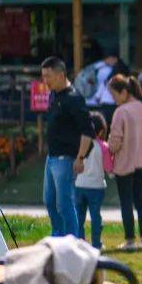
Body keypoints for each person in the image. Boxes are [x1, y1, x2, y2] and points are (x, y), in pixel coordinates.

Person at [41, 57, 93, 238]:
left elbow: (87, 131)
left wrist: (80, 157)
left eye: (48, 76)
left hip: (66, 159)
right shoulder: (53, 95)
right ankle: (58, 237)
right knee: (49, 201)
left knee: (64, 205)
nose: (45, 81)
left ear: (61, 75)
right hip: (51, 157)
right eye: (43, 76)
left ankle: (72, 242)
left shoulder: (74, 98)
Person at [107, 75, 142, 252]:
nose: (113, 99)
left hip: (125, 163)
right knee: (140, 201)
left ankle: (130, 240)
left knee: (126, 201)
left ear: (124, 92)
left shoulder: (121, 112)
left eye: (114, 95)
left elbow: (115, 141)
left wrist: (109, 149)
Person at [74, 112, 109, 250]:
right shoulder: (103, 146)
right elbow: (108, 167)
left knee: (79, 217)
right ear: (101, 131)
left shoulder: (79, 145)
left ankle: (79, 243)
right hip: (97, 187)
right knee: (95, 216)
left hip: (79, 185)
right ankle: (96, 243)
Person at [89, 50, 128, 124]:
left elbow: (105, 84)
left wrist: (97, 97)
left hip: (109, 104)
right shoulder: (119, 69)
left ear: (114, 58)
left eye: (108, 59)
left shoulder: (111, 70)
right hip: (116, 103)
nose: (106, 61)